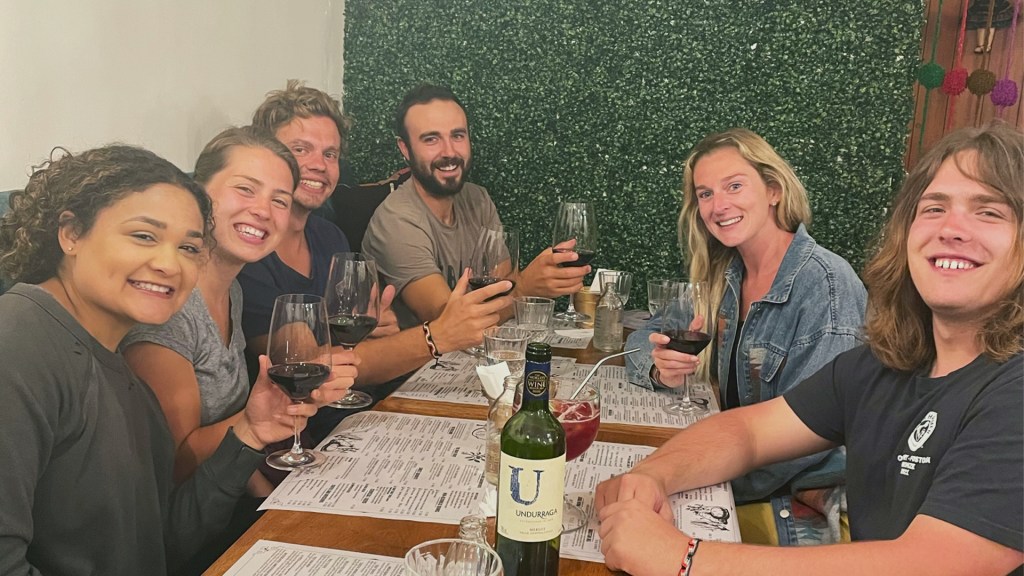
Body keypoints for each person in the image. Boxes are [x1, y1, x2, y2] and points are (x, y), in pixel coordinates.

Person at [595, 122, 1023, 576]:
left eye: (989, 212)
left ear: (774, 190)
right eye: (933, 208)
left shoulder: (1014, 388)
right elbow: (749, 432)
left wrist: (681, 558)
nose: (952, 228)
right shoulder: (883, 364)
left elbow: (933, 563)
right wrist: (650, 476)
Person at [0, 145, 321, 575]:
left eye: (189, 248)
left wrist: (249, 432)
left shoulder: (122, 373)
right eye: (144, 236)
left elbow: (165, 540)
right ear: (71, 233)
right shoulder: (18, 343)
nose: (170, 264)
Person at [625, 127, 866, 544]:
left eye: (734, 186)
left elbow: (809, 441)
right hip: (736, 476)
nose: (719, 206)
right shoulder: (724, 274)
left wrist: (691, 474)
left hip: (801, 505)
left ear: (773, 190)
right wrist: (659, 367)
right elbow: (642, 333)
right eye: (705, 194)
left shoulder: (825, 285)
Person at [240, 81, 513, 435]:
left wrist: (375, 331)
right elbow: (310, 370)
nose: (319, 165)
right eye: (300, 149)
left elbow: (351, 349)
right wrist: (436, 336)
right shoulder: (251, 255)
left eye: (330, 154)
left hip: (364, 413)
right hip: (302, 436)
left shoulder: (329, 237)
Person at [122, 126, 357, 497]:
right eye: (245, 189)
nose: (263, 210)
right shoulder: (169, 308)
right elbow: (175, 465)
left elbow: (236, 448)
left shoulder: (232, 289)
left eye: (280, 200)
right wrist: (255, 424)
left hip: (231, 504)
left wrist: (271, 501)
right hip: (182, 540)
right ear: (198, 194)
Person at [362, 83, 591, 329]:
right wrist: (525, 289)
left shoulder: (478, 199)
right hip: (419, 365)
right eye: (431, 139)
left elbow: (505, 283)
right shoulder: (397, 220)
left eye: (457, 135)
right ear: (405, 149)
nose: (449, 152)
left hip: (472, 355)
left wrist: (522, 286)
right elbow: (448, 322)